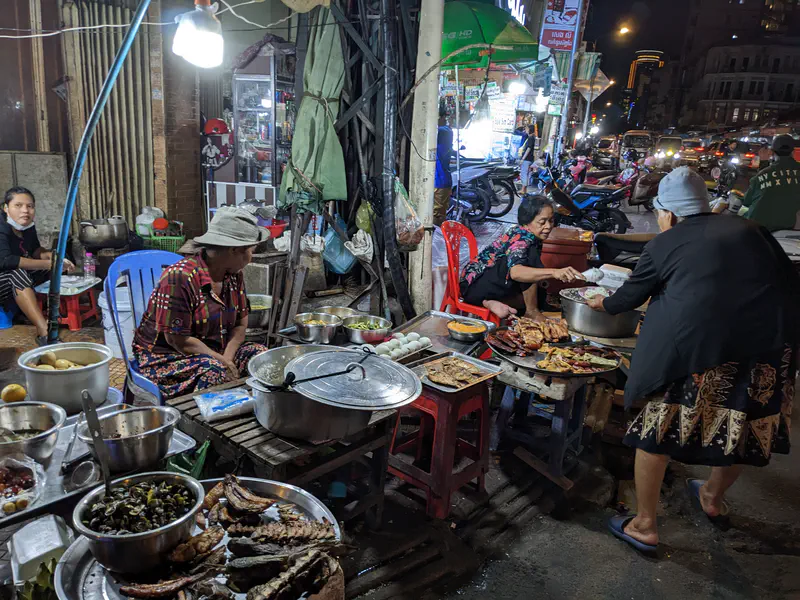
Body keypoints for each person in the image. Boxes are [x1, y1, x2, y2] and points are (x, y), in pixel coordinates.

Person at [586, 167, 798, 554]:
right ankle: (713, 497)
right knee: (742, 423)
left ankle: (645, 524)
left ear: (667, 213)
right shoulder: (750, 229)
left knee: (658, 427)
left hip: (698, 352)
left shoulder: (665, 243)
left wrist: (601, 301)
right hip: (767, 349)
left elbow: (626, 299)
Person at [132, 206, 270, 399]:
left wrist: (227, 359)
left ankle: (251, 411)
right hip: (166, 357)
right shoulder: (179, 278)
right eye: (250, 251)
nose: (251, 257)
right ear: (234, 250)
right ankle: (203, 423)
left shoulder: (233, 275)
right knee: (214, 372)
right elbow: (178, 340)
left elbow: (240, 324)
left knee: (262, 358)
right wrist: (221, 362)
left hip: (216, 349)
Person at [460, 195, 582, 320]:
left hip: (473, 287)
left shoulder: (528, 234)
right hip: (475, 287)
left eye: (551, 220)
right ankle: (531, 312)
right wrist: (554, 272)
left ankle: (489, 302)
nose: (548, 226)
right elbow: (516, 273)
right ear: (527, 222)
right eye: (542, 222)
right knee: (530, 267)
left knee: (539, 293)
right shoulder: (523, 238)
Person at [0, 187, 75, 346]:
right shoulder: (1, 227)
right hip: (5, 275)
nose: (25, 211)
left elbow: (35, 251)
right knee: (18, 274)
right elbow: (6, 260)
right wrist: (50, 264)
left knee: (50, 267)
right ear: (6, 208)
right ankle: (44, 332)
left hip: (9, 276)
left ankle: (46, 311)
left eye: (30, 206)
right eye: (18, 205)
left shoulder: (26, 226)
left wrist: (53, 256)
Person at [738, 134, 800, 231]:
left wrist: (763, 163)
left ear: (771, 152)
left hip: (758, 230)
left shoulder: (761, 175)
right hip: (790, 230)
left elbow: (746, 201)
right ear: (793, 152)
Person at [433, 107, 454, 227]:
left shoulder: (444, 131)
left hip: (440, 181)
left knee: (438, 215)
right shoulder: (445, 131)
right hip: (438, 180)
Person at [519, 125, 537, 194]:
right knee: (526, 174)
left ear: (530, 129)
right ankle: (524, 190)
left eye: (526, 129)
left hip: (527, 159)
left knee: (524, 173)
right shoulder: (532, 137)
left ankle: (523, 190)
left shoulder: (530, 137)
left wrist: (523, 159)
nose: (525, 130)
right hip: (530, 158)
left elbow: (528, 148)